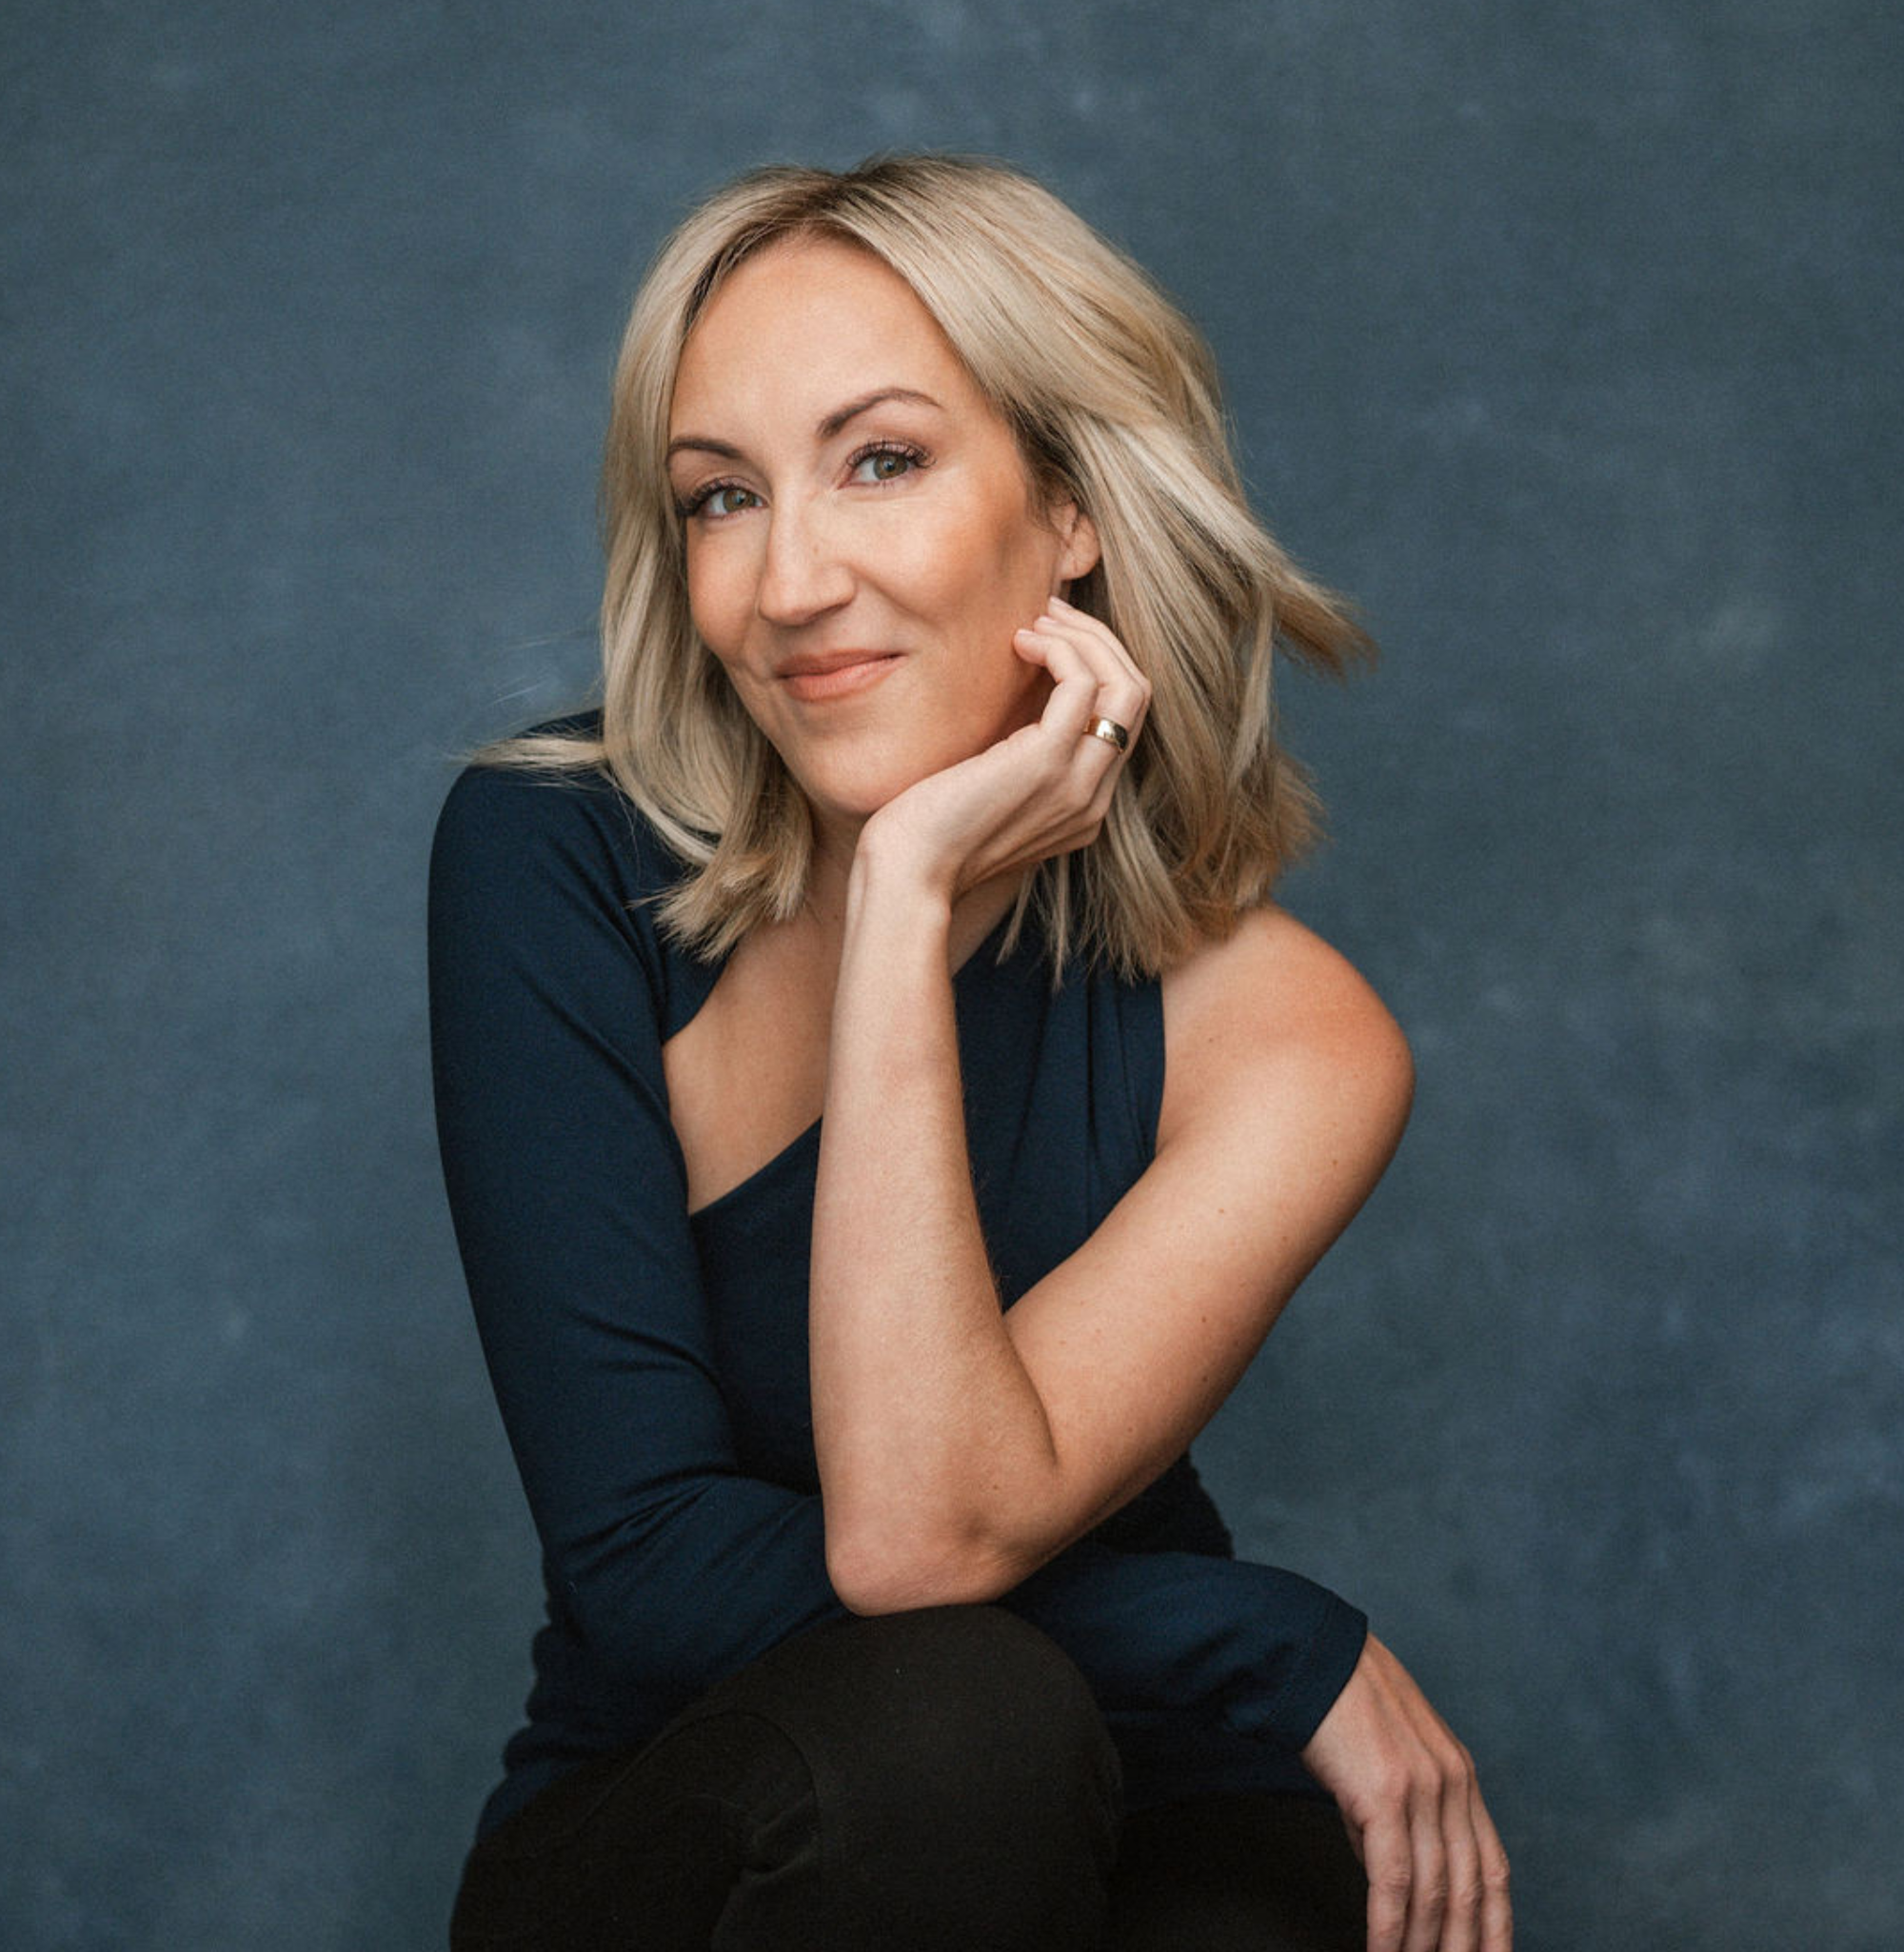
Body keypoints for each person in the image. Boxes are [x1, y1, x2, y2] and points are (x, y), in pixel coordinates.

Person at [429, 153, 1511, 1952]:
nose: (789, 582)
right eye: (720, 497)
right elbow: (662, 1563)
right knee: (953, 1732)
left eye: (881, 461)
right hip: (678, 1820)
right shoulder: (553, 857)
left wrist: (905, 898)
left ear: (1071, 506)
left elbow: (927, 1524)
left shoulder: (1284, 1035)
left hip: (1130, 1772)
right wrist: (1251, 1640)